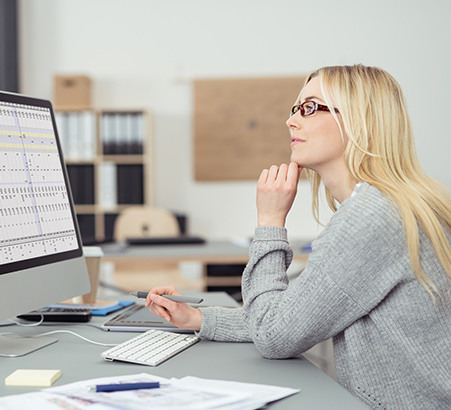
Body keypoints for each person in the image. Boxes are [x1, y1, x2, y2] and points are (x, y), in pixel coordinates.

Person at [146, 64, 451, 409]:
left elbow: (274, 335)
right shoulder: (390, 204)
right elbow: (295, 317)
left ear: (357, 121)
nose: (291, 121)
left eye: (309, 108)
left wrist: (270, 220)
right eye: (295, 109)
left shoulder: (371, 217)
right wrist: (198, 318)